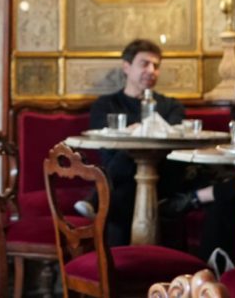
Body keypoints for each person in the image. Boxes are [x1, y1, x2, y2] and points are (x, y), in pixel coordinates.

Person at [77, 39, 184, 246]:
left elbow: (173, 137)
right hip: (121, 177)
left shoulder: (171, 105)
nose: (151, 71)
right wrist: (144, 132)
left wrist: (133, 132)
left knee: (124, 179)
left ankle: (96, 199)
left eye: (156, 66)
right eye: (144, 64)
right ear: (126, 67)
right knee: (125, 188)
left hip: (162, 176)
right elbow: (103, 142)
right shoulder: (105, 105)